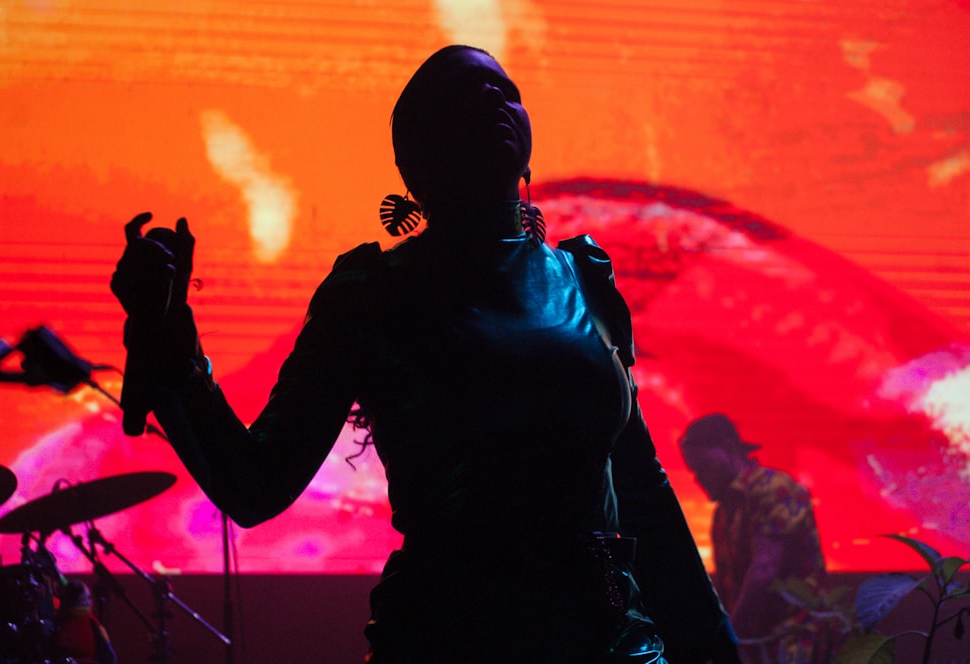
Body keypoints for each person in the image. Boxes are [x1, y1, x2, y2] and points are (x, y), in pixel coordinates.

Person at [110, 45, 738, 663]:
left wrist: (711, 644)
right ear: (415, 158)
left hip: (602, 634)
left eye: (506, 90)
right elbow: (255, 485)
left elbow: (638, 485)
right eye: (463, 95)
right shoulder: (372, 293)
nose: (493, 98)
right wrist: (169, 346)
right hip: (453, 634)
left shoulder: (586, 278)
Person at [679, 414, 828, 663]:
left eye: (703, 467)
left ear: (729, 447)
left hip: (792, 646)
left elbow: (763, 570)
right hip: (758, 649)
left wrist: (728, 640)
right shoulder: (724, 511)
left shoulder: (774, 490)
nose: (698, 478)